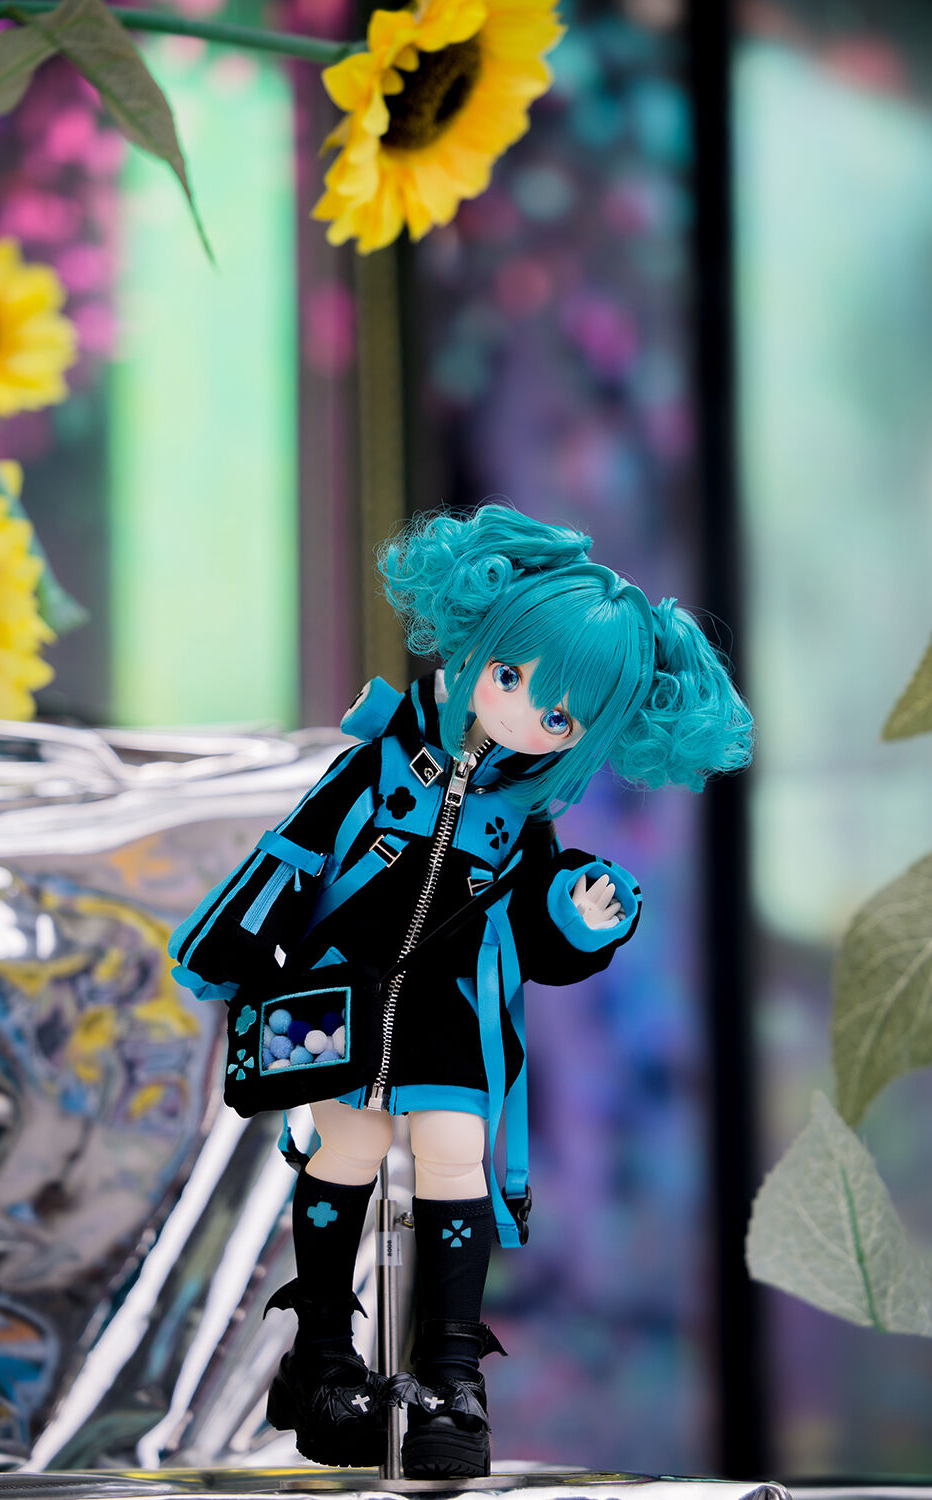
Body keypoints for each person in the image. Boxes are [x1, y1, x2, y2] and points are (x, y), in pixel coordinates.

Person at [169, 505, 753, 1477]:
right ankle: (322, 1360)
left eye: (559, 716)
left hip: (452, 1013)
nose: (524, 715)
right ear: (481, 648)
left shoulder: (523, 821)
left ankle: (450, 1377)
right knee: (349, 1145)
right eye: (512, 677)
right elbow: (291, 856)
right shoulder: (378, 764)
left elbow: (534, 935)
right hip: (336, 997)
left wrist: (578, 917)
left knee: (453, 1152)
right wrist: (227, 947)